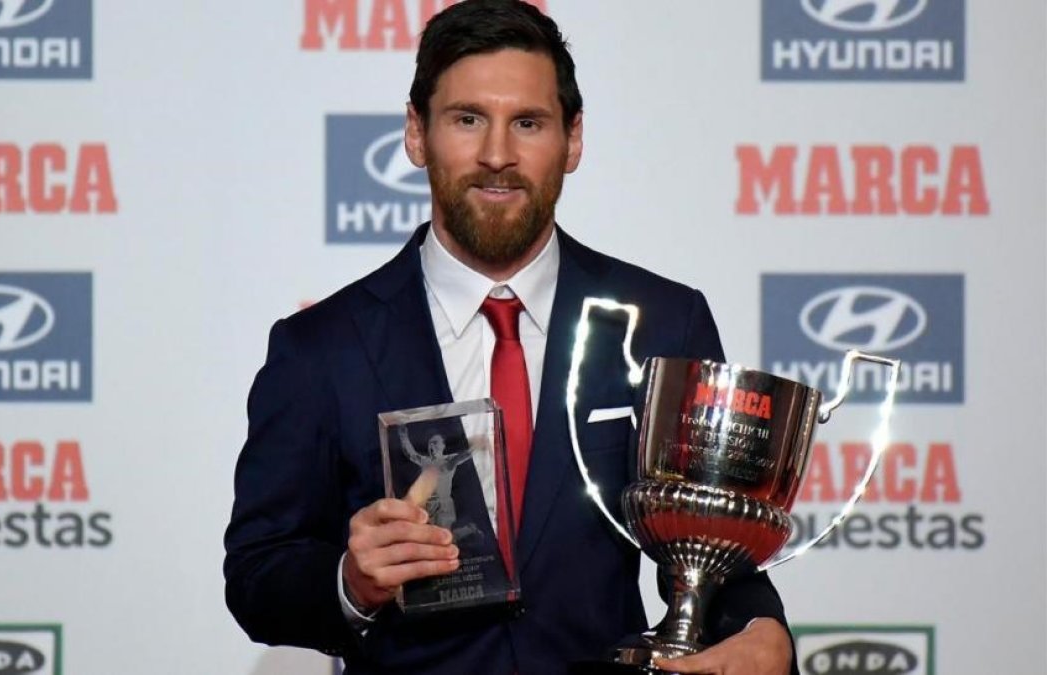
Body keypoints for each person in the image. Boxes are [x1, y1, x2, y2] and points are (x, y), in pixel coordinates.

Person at [224, 1, 797, 673]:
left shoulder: (664, 322)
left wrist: (762, 627)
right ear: (417, 133)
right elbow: (257, 578)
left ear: (573, 139)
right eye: (467, 119)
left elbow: (709, 540)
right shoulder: (321, 348)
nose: (497, 155)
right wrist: (352, 580)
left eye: (528, 122)